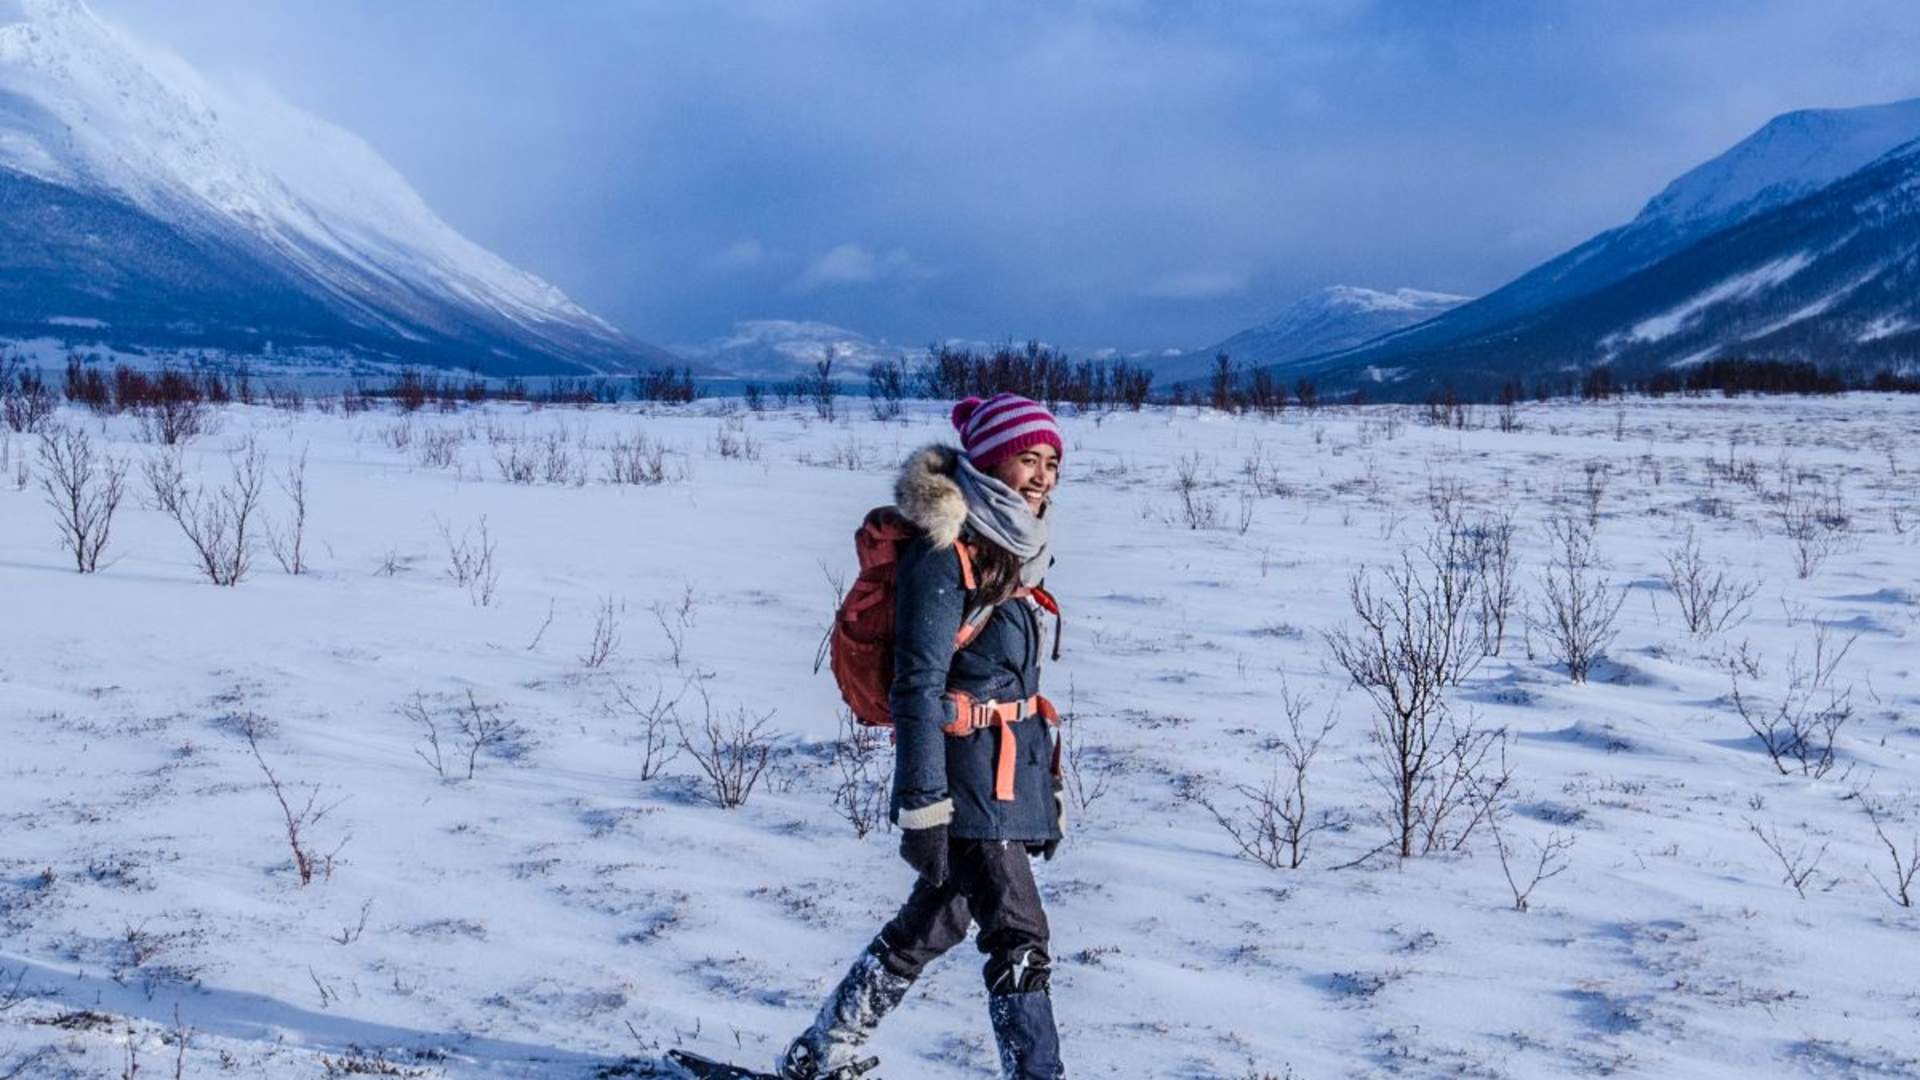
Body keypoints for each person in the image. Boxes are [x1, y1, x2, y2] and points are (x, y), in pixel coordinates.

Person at [780, 393, 1068, 1080]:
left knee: (940, 915)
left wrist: (1045, 792)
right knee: (1019, 934)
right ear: (991, 462)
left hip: (1006, 777)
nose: (1042, 476)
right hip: (962, 778)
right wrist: (923, 807)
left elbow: (1014, 691)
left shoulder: (1017, 548)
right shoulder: (942, 554)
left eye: (1052, 462)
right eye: (1028, 459)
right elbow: (916, 686)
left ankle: (822, 1050)